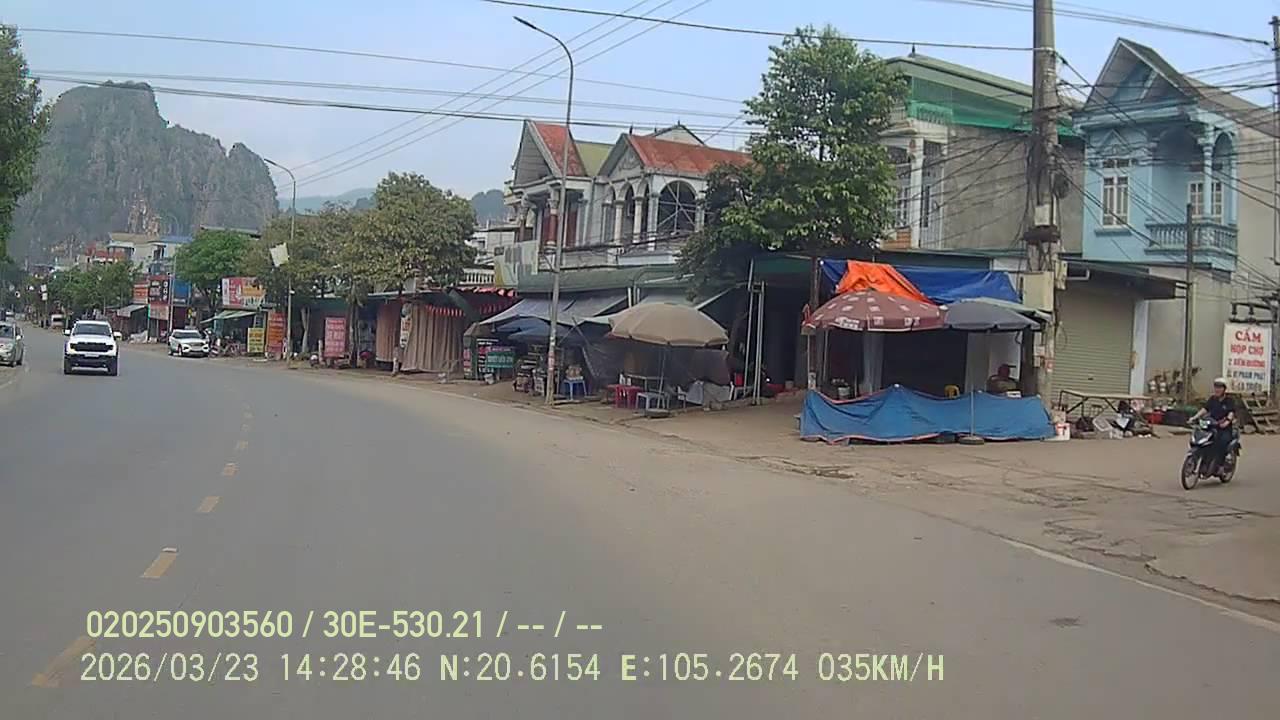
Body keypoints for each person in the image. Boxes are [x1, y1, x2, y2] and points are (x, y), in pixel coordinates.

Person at [1191, 377, 1238, 469]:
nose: (1217, 389)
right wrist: (1194, 417)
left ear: (1224, 389)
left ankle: (1220, 464)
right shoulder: (1212, 399)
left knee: (1221, 442)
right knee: (1199, 437)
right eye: (1216, 387)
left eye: (1220, 387)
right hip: (1211, 425)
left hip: (1223, 428)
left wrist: (1227, 422)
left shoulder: (1229, 401)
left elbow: (1231, 413)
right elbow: (1204, 409)